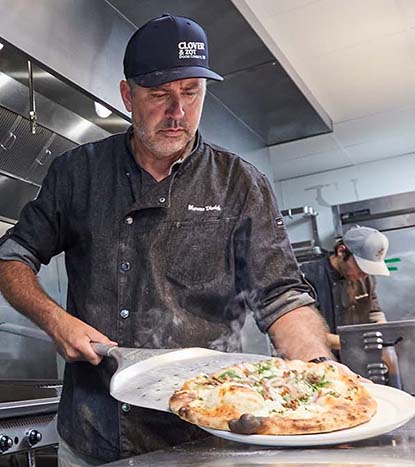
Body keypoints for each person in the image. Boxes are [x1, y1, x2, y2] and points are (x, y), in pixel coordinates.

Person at [0, 14, 335, 464]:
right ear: (127, 95)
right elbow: (12, 257)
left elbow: (282, 296)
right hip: (92, 434)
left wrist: (319, 375)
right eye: (159, 95)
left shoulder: (238, 183)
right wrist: (55, 321)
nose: (177, 112)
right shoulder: (77, 174)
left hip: (205, 436)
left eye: (191, 93)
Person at [301, 226, 389, 351]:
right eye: (361, 267)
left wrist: (384, 337)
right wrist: (356, 342)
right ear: (341, 252)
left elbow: (374, 313)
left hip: (357, 354)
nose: (363, 275)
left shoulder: (366, 278)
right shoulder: (308, 277)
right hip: (319, 358)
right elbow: (304, 333)